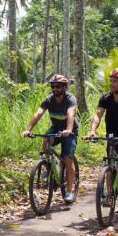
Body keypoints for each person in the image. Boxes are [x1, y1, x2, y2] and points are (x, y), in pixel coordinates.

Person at [21, 74, 78, 203]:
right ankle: (49, 166)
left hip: (70, 131)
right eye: (53, 86)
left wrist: (69, 130)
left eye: (58, 86)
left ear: (64, 87)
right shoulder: (48, 100)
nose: (55, 88)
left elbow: (71, 114)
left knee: (68, 159)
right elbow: (38, 114)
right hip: (56, 128)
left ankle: (69, 191)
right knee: (46, 140)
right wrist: (28, 129)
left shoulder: (70, 99)